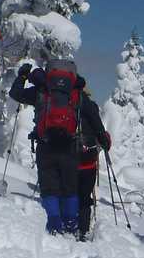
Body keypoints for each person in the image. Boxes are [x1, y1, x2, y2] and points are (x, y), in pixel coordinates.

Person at [9, 58, 108, 236]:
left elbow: (15, 94)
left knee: (49, 188)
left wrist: (22, 76)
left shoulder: (41, 91)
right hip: (69, 147)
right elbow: (94, 118)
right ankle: (71, 225)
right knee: (70, 188)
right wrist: (104, 140)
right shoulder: (77, 94)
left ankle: (54, 224)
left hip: (45, 145)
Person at [77, 85, 110, 239]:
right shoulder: (91, 107)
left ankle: (70, 224)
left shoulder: (66, 105)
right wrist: (105, 141)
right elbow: (100, 133)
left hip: (68, 159)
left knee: (70, 192)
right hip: (88, 160)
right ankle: (83, 230)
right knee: (84, 196)